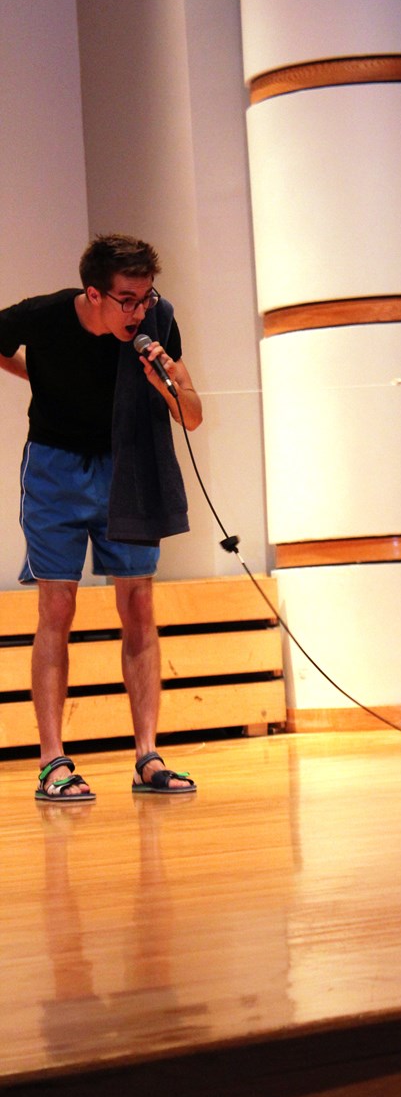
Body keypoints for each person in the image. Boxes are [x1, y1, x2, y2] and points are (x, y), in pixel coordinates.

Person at [0, 233, 203, 800]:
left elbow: (192, 416)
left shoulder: (158, 322)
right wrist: (33, 374)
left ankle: (147, 756)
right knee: (56, 606)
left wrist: (164, 380)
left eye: (146, 297)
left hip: (127, 466)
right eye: (127, 300)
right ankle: (52, 761)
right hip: (55, 469)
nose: (139, 311)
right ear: (94, 294)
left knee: (138, 604)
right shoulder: (44, 316)